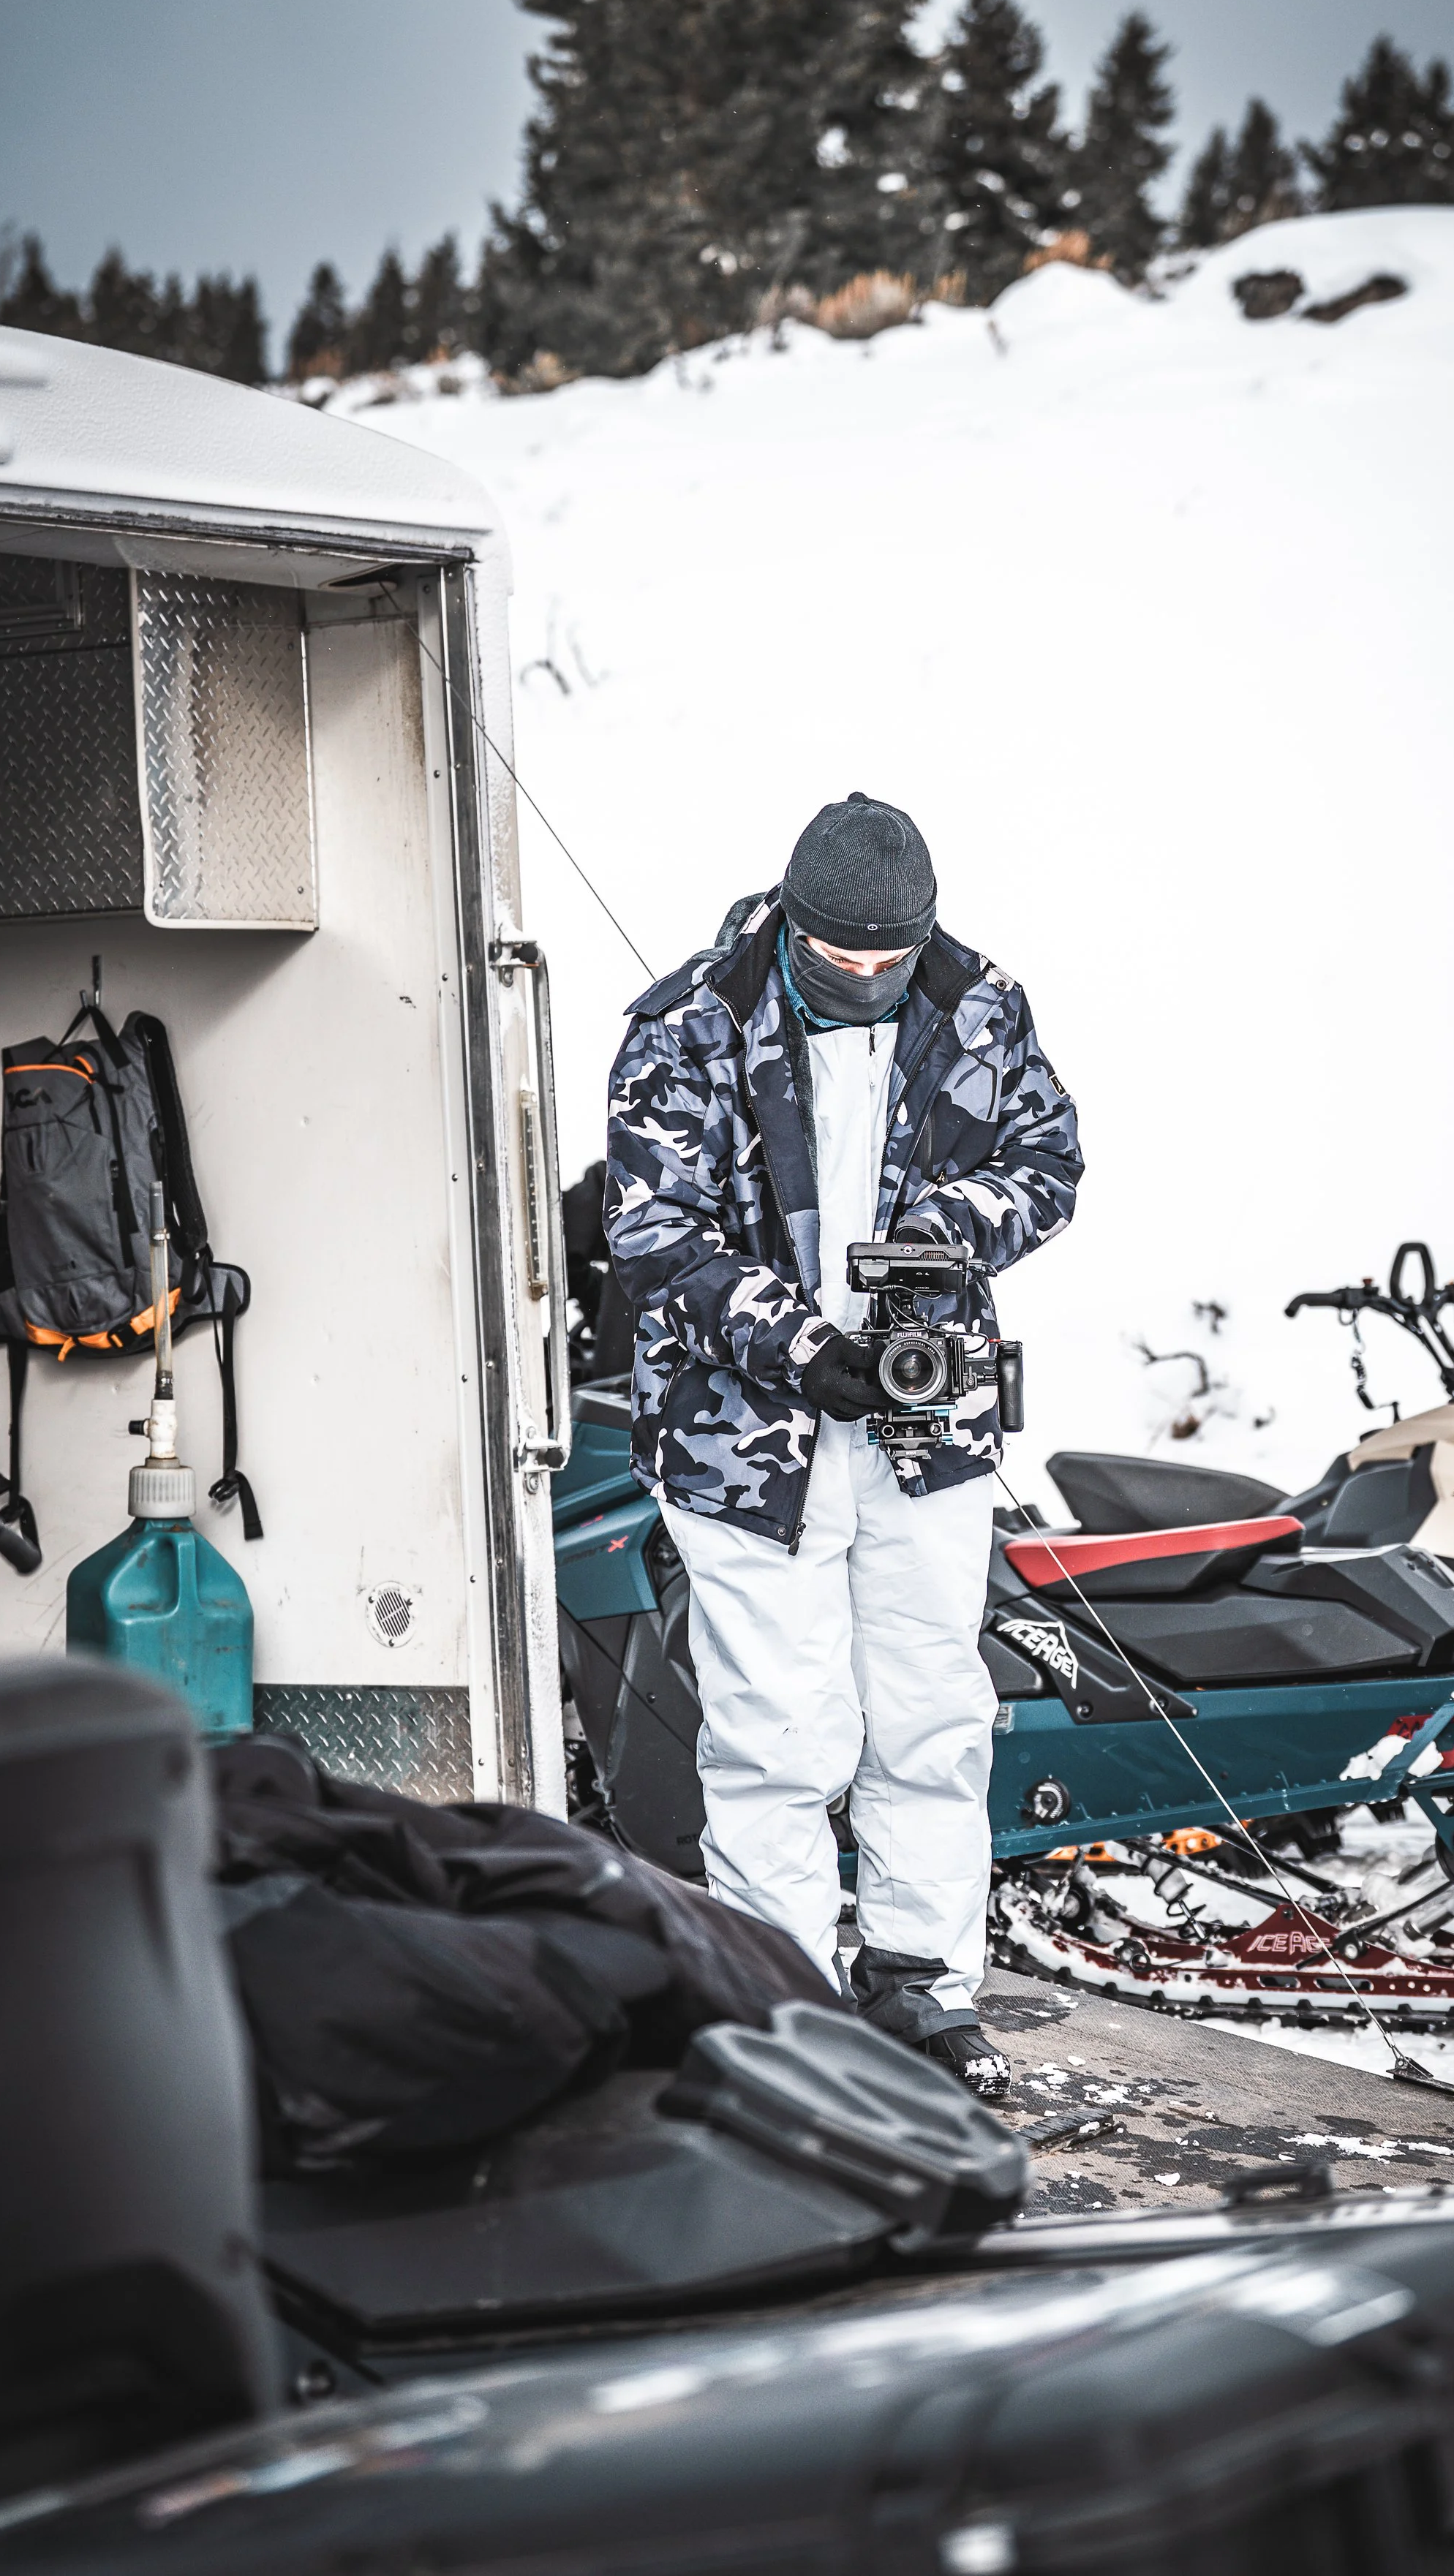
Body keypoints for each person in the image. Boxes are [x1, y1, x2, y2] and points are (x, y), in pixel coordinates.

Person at [603, 794, 1081, 2098]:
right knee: (780, 1727)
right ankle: (789, 1993)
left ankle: (925, 1979)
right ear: (792, 921)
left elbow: (1049, 1160)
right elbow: (655, 1235)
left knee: (932, 1707)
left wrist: (947, 1233)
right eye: (837, 957)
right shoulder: (686, 1025)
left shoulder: (982, 1007)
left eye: (889, 957)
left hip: (928, 1426)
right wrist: (804, 1346)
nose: (866, 976)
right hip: (746, 1438)